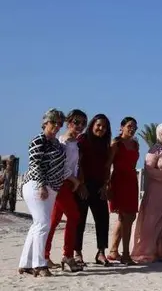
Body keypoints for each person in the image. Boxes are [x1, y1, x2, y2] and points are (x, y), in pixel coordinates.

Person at [18, 109, 67, 277]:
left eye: (60, 123)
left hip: (52, 188)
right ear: (45, 123)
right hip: (36, 185)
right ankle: (39, 264)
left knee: (37, 225)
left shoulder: (57, 144)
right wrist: (41, 185)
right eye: (54, 122)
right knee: (43, 224)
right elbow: (34, 164)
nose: (57, 126)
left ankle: (26, 263)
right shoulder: (39, 140)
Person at [45, 109, 86, 272]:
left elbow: (74, 165)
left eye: (83, 123)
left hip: (70, 185)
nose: (80, 126)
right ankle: (67, 255)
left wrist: (77, 181)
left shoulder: (76, 142)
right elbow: (59, 166)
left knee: (53, 221)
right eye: (76, 122)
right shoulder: (62, 141)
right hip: (61, 184)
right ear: (68, 123)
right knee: (74, 216)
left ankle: (45, 255)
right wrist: (73, 179)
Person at [132, 123, 162, 263]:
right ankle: (148, 251)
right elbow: (149, 169)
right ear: (158, 135)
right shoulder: (155, 150)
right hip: (157, 191)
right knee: (153, 221)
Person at [75, 114, 112, 267]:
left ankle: (101, 252)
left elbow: (106, 166)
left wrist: (105, 185)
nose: (101, 129)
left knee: (103, 219)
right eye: (98, 125)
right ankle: (77, 252)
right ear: (92, 125)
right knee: (79, 220)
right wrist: (81, 184)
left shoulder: (105, 144)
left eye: (104, 127)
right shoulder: (82, 140)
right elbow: (78, 163)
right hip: (82, 185)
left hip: (99, 186)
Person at [108, 117, 140, 265]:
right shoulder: (116, 144)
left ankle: (114, 250)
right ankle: (125, 254)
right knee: (124, 217)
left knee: (130, 216)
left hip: (132, 180)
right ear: (121, 127)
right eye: (129, 126)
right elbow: (108, 164)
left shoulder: (135, 144)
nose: (132, 129)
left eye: (134, 127)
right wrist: (107, 185)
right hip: (119, 181)